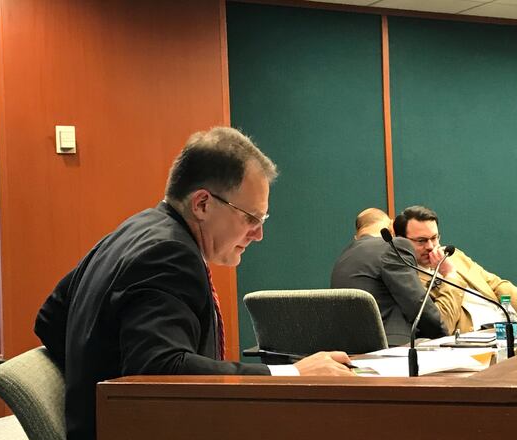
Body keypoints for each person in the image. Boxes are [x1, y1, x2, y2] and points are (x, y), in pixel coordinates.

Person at [35, 127, 354, 440]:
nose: (258, 234)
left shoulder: (131, 231)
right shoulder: (169, 254)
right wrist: (292, 375)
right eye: (251, 218)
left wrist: (99, 374)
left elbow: (50, 319)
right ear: (202, 204)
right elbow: (161, 368)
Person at [393, 205, 517, 334]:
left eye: (434, 238)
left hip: (509, 327)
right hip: (476, 338)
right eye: (421, 241)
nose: (430, 246)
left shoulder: (453, 255)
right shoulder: (407, 276)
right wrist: (449, 275)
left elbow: (495, 284)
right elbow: (443, 324)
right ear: (401, 241)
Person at [330, 208, 448, 346]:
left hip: (351, 348)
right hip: (392, 348)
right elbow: (418, 305)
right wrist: (445, 339)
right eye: (421, 240)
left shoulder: (343, 258)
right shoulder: (392, 247)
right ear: (391, 227)